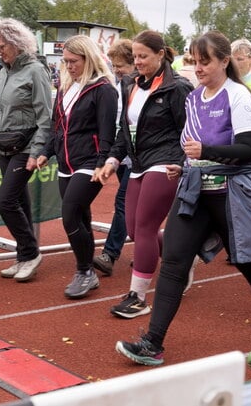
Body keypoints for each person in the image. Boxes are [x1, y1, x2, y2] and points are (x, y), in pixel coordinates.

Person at [115, 31, 251, 366]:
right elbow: (190, 147)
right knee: (175, 262)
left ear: (225, 61)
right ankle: (153, 342)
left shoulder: (238, 96)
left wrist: (207, 151)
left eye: (205, 61)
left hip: (231, 193)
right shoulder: (193, 98)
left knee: (247, 260)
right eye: (195, 61)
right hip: (194, 190)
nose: (199, 68)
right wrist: (185, 166)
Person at [97, 31, 193, 318]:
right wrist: (113, 159)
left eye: (143, 56)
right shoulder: (129, 84)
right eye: (135, 56)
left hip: (165, 163)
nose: (137, 62)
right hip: (137, 162)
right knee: (132, 230)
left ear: (160, 54)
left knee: (146, 227)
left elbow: (188, 130)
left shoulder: (178, 88)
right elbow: (125, 130)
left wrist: (183, 163)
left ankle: (138, 297)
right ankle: (182, 260)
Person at [36, 35, 118, 299]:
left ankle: (85, 271)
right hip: (65, 161)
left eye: (74, 61)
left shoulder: (104, 89)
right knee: (81, 215)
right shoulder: (65, 87)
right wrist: (46, 152)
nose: (69, 66)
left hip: (89, 162)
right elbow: (56, 126)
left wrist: (101, 161)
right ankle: (86, 269)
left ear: (89, 59)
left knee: (69, 214)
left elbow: (107, 131)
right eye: (66, 61)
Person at [0, 18, 52, 282]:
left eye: (2, 47)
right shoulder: (3, 72)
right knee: (20, 201)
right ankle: (23, 256)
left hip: (26, 146)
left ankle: (31, 253)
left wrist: (36, 151)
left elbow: (46, 116)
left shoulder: (35, 71)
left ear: (17, 43)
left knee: (5, 201)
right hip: (4, 146)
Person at [91, 39, 137, 277]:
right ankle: (148, 246)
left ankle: (110, 254)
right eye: (114, 64)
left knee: (124, 202)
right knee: (135, 207)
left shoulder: (141, 85)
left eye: (120, 65)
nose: (116, 69)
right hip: (122, 151)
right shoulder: (120, 84)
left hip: (141, 155)